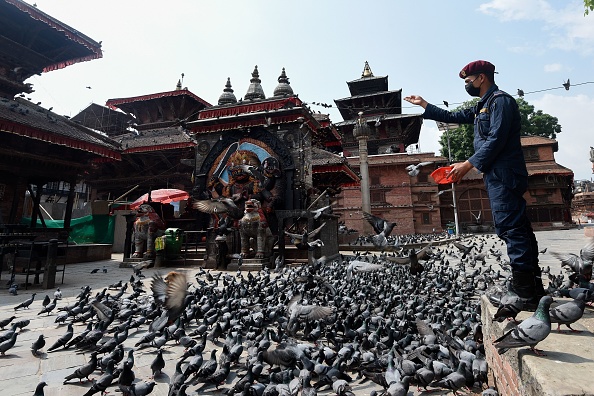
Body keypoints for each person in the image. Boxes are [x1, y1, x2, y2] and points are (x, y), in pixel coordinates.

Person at [404, 60, 545, 310]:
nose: (466, 85)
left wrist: (467, 164)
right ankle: (532, 287)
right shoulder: (483, 106)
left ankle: (526, 295)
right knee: (518, 228)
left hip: (504, 173)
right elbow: (452, 116)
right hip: (497, 173)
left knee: (511, 229)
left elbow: (496, 139)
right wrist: (424, 104)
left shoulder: (500, 101)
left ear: (481, 78)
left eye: (468, 81)